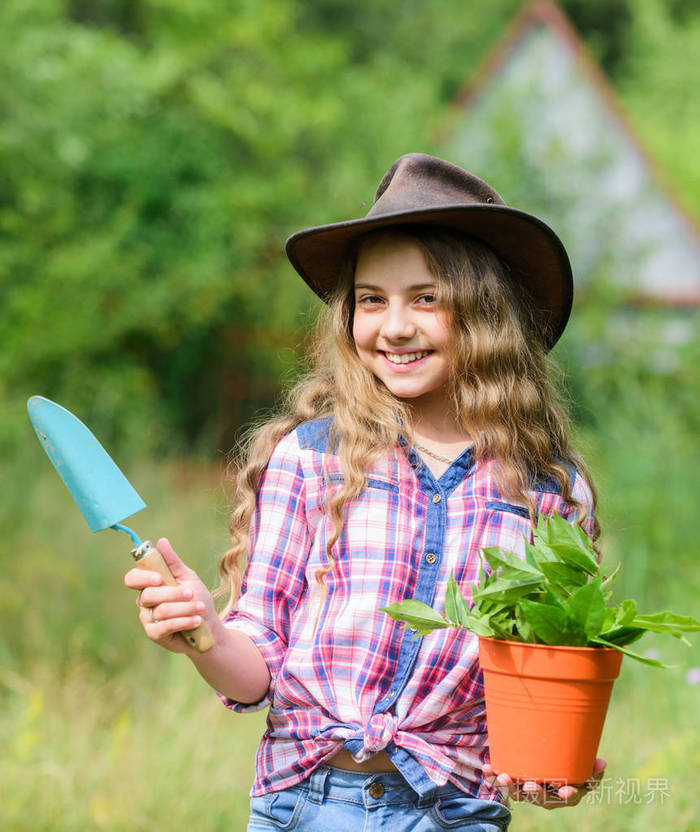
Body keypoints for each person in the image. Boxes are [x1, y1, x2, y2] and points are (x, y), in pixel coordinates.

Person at [125, 153, 606, 829]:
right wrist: (204, 630)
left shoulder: (547, 487)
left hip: (455, 810)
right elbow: (256, 664)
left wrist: (553, 761)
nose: (394, 325)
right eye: (371, 299)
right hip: (305, 803)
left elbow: (543, 671)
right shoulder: (312, 458)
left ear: (487, 315)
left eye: (427, 298)